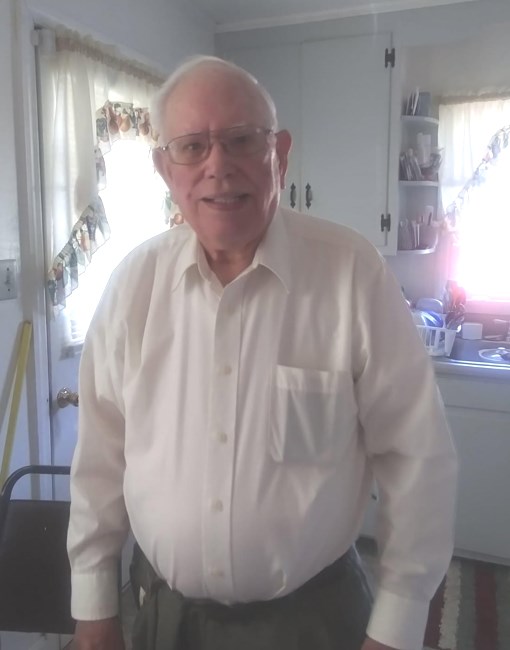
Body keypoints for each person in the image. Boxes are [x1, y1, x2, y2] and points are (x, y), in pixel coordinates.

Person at [68, 55, 457, 650]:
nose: (218, 166)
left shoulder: (351, 274)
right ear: (165, 169)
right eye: (192, 147)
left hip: (314, 623)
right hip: (164, 620)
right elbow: (100, 459)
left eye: (242, 140)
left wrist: (398, 626)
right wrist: (94, 605)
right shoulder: (132, 287)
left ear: (281, 153)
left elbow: (417, 458)